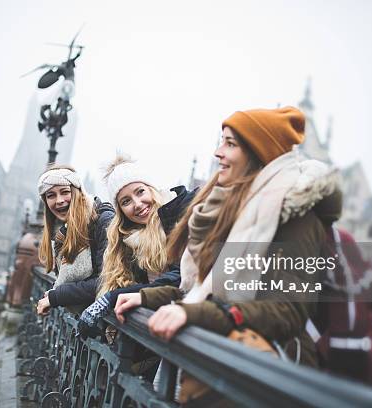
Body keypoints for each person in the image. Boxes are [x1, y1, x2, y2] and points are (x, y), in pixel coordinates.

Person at [116, 106, 342, 369]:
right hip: (218, 363)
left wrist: (195, 313)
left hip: (265, 375)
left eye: (230, 143)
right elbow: (201, 290)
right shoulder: (236, 211)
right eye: (221, 141)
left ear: (257, 152)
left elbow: (286, 312)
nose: (218, 151)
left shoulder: (296, 215)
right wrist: (146, 297)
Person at [78, 154, 197, 334]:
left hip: (188, 326)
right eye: (126, 201)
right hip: (157, 328)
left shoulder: (181, 214)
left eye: (140, 191)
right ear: (121, 212)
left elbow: (182, 276)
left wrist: (113, 297)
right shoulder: (129, 239)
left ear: (151, 189)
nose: (138, 204)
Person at [35, 165, 114, 315]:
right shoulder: (63, 232)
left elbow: (107, 280)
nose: (59, 200)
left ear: (78, 192)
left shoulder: (104, 221)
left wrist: (56, 296)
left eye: (65, 192)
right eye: (50, 195)